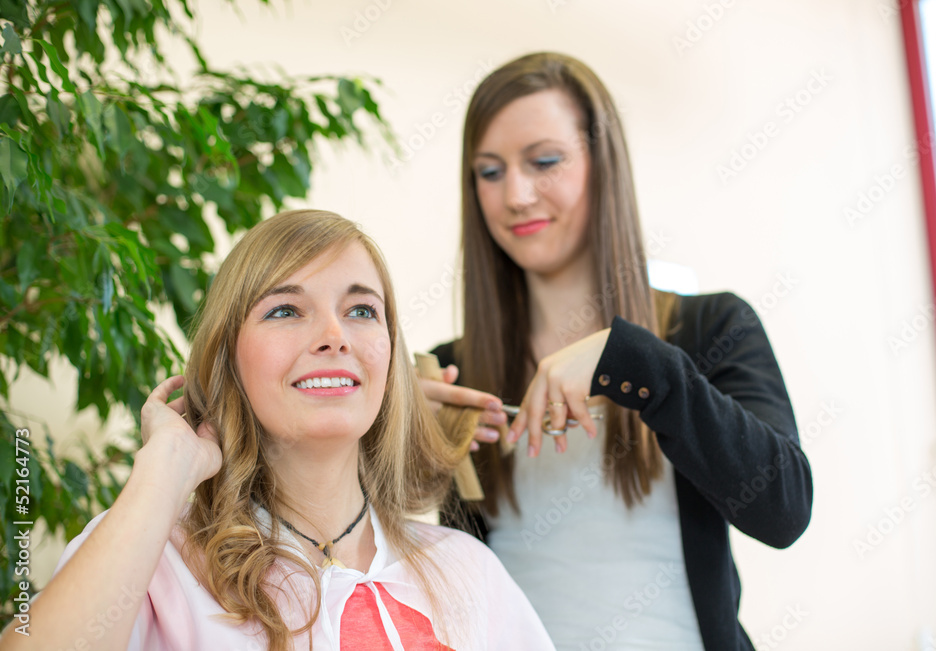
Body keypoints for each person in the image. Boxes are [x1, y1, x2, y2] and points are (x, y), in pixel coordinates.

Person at [0, 209, 554, 651]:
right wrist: (162, 477)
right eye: (286, 311)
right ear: (228, 358)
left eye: (362, 311)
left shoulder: (467, 569)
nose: (335, 335)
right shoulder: (153, 559)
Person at [420, 52, 814, 651]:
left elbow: (783, 510)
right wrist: (388, 456)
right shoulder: (454, 370)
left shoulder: (709, 326)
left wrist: (633, 363)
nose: (517, 195)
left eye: (544, 161)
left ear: (603, 166)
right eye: (490, 172)